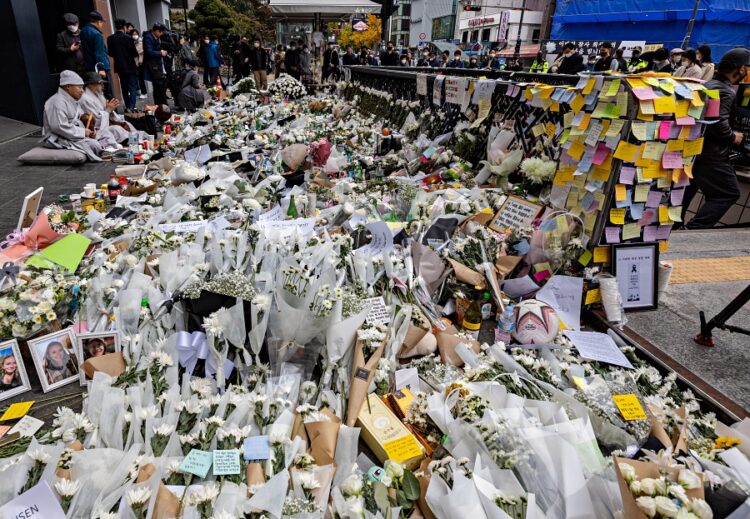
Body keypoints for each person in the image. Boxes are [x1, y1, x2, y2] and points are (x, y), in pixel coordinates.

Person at [682, 48, 749, 229]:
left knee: (686, 192)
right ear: (741, 69)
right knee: (728, 192)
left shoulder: (709, 85)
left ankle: (674, 228)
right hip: (713, 155)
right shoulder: (726, 91)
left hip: (695, 150)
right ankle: (694, 229)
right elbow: (717, 122)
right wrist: (733, 137)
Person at [41, 70, 102, 161]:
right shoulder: (57, 102)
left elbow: (80, 117)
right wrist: (82, 132)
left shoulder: (71, 100)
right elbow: (58, 126)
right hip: (58, 138)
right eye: (79, 87)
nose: (82, 91)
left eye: (82, 87)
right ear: (68, 86)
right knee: (94, 145)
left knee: (100, 137)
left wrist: (89, 129)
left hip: (71, 134)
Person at [79, 72, 135, 148]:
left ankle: (137, 143)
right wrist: (108, 109)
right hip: (97, 130)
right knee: (116, 129)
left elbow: (106, 114)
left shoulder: (98, 94)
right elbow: (95, 121)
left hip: (105, 124)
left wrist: (110, 109)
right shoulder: (85, 99)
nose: (102, 86)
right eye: (100, 83)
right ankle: (132, 145)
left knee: (126, 123)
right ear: (91, 84)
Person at [106, 19, 139, 111]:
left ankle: (128, 106)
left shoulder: (110, 38)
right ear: (124, 27)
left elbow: (111, 53)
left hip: (120, 67)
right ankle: (133, 106)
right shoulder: (128, 38)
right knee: (132, 87)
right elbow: (134, 53)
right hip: (130, 66)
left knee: (124, 87)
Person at [80, 11, 112, 98]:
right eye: (101, 22)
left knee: (94, 92)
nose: (101, 25)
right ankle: (110, 111)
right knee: (106, 91)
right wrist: (101, 68)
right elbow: (99, 52)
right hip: (100, 67)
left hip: (89, 67)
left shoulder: (82, 31)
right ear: (98, 22)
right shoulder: (97, 34)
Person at [143, 23, 169, 106]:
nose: (162, 35)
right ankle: (159, 106)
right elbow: (148, 52)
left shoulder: (155, 37)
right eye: (161, 33)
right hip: (153, 67)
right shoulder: (148, 37)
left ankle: (162, 106)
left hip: (158, 65)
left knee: (162, 86)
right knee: (158, 86)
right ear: (157, 31)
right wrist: (160, 53)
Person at [130, 30, 148, 99]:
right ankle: (138, 91)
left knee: (141, 78)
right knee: (135, 78)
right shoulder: (131, 42)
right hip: (134, 62)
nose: (135, 35)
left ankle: (144, 92)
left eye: (136, 34)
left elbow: (141, 52)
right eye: (133, 34)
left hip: (141, 62)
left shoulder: (141, 41)